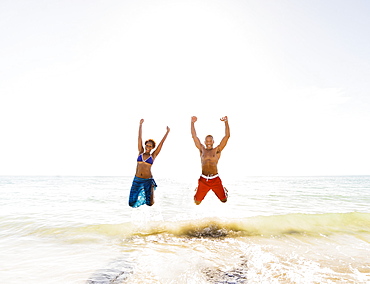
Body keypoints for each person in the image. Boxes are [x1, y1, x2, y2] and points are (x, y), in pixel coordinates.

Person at [129, 119, 170, 208]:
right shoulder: (140, 152)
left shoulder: (153, 155)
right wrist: (140, 125)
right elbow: (139, 138)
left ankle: (152, 189)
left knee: (150, 204)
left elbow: (161, 144)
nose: (148, 147)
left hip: (147, 180)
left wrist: (167, 132)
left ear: (152, 148)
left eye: (150, 146)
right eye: (147, 145)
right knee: (131, 203)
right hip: (137, 179)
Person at [191, 116, 230, 205]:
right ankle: (198, 189)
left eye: (210, 141)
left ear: (213, 142)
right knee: (197, 202)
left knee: (224, 200)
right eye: (207, 141)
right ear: (204, 142)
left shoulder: (217, 150)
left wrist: (226, 122)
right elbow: (194, 136)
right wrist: (192, 123)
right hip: (203, 179)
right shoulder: (202, 150)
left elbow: (227, 136)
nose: (208, 143)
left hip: (215, 178)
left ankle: (224, 190)